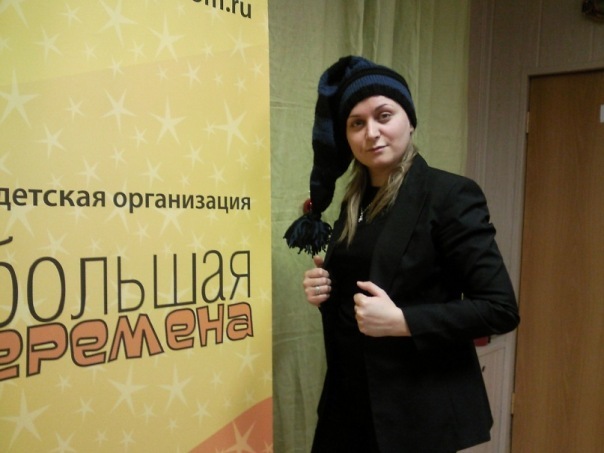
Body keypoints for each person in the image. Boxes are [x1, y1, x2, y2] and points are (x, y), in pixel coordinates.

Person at [284, 56, 520, 453]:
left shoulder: (450, 195)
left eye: (384, 115)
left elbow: (499, 309)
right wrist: (326, 290)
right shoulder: (353, 201)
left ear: (409, 120)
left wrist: (403, 322)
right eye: (356, 123)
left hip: (414, 416)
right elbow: (370, 289)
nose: (371, 132)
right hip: (347, 407)